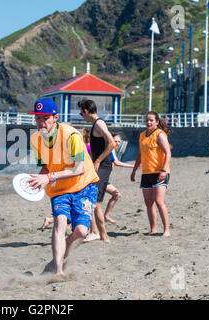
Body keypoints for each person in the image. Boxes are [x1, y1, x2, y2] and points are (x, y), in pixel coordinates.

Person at [27, 98, 99, 278]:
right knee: (59, 222)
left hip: (84, 185)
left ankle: (54, 262)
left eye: (45, 118)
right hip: (60, 188)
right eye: (38, 118)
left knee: (81, 232)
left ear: (55, 118)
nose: (41, 122)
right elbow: (46, 166)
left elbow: (79, 168)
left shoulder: (71, 135)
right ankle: (58, 270)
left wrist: (48, 177)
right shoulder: (35, 139)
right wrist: (36, 181)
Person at [78, 99, 116, 243]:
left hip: (104, 166)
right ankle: (98, 234)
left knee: (94, 202)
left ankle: (100, 234)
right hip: (98, 166)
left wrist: (98, 161)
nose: (83, 117)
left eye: (82, 114)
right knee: (92, 199)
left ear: (86, 111)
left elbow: (112, 143)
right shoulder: (95, 124)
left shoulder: (99, 123)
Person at [130, 111, 172, 237]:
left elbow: (168, 153)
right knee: (149, 203)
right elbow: (140, 155)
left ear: (157, 122)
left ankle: (166, 230)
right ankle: (153, 229)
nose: (148, 122)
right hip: (146, 173)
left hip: (160, 172)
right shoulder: (142, 135)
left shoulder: (160, 135)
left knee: (159, 201)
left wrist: (164, 170)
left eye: (151, 120)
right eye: (147, 120)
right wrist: (134, 171)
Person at [101, 134, 134, 225]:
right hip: (99, 179)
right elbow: (116, 162)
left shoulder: (113, 149)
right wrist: (133, 166)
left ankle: (106, 216)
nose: (117, 143)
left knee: (116, 195)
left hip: (104, 179)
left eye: (119, 141)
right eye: (115, 141)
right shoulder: (109, 148)